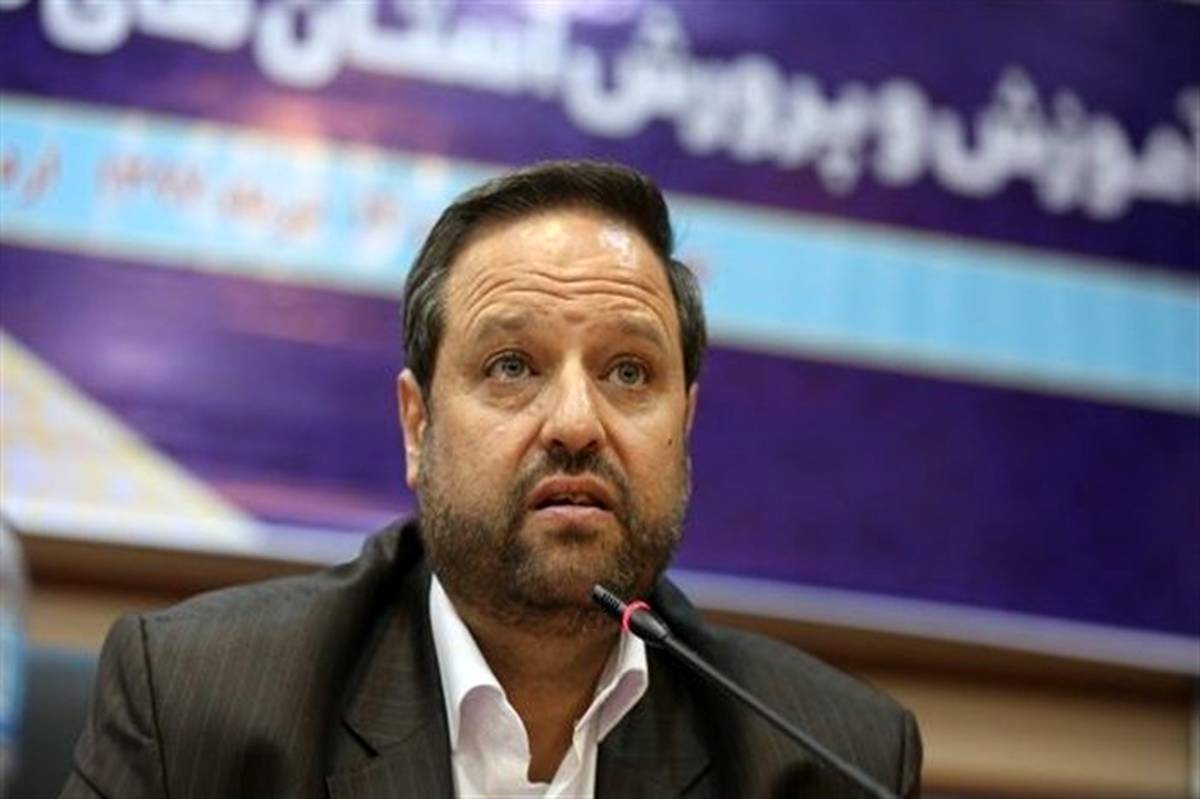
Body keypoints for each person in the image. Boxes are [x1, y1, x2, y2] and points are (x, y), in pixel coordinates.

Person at [62, 161, 922, 798]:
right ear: (418, 426)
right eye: (512, 365)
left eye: (629, 372)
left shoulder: (822, 761)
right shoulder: (198, 709)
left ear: (686, 426)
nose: (577, 423)